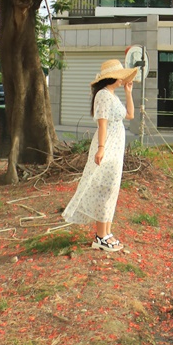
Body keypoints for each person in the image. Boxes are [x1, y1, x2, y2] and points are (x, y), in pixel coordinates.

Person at [62, 58, 137, 251]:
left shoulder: (112, 94)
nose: (122, 80)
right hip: (108, 145)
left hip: (116, 146)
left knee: (112, 188)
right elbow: (102, 123)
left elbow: (130, 115)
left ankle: (107, 232)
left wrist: (129, 93)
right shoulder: (103, 95)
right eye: (119, 77)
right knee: (105, 188)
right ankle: (101, 236)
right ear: (111, 77)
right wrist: (101, 148)